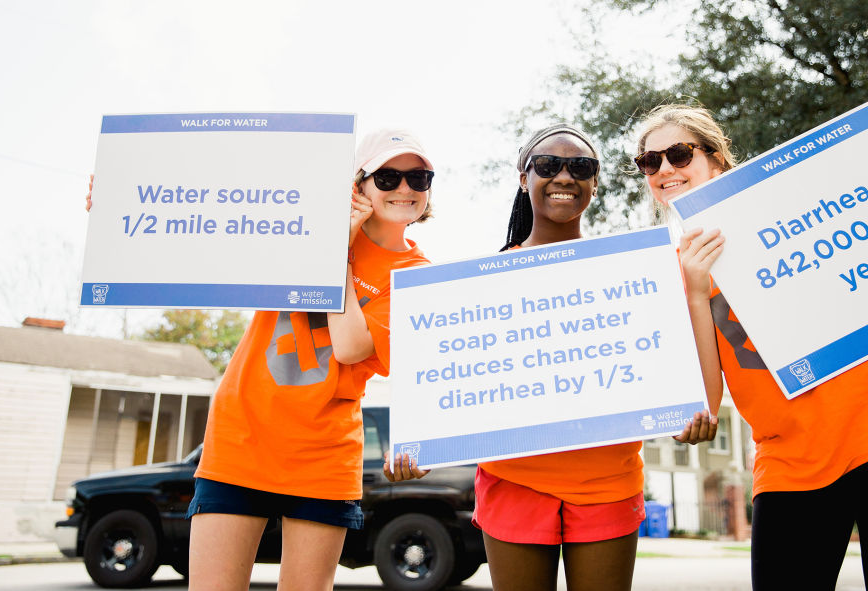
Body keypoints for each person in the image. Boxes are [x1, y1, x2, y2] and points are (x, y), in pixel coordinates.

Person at [631, 102, 868, 590]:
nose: (665, 170)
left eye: (678, 154)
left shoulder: (796, 212)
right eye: (649, 162)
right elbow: (706, 398)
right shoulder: (667, 272)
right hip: (790, 460)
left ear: (716, 158)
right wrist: (696, 289)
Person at [92, 128, 436, 590]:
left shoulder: (416, 275)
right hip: (242, 435)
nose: (405, 188)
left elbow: (351, 346)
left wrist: (335, 252)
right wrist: (119, 206)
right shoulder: (294, 225)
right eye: (389, 176)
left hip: (323, 451)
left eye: (419, 177)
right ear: (359, 184)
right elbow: (202, 233)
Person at [409, 123, 721, 591]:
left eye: (581, 167)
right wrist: (422, 441)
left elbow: (684, 373)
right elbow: (452, 380)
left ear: (595, 182)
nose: (564, 176)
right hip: (513, 483)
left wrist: (692, 411)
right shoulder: (478, 287)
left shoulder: (634, 272)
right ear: (523, 177)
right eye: (548, 165)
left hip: (607, 483)